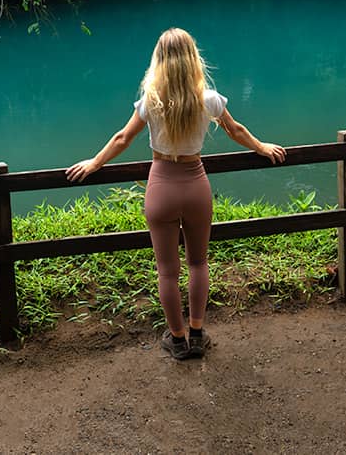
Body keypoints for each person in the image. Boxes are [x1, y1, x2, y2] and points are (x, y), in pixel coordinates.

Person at [66, 28, 286, 360]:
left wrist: (95, 163)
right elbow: (235, 129)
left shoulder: (151, 101)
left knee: (167, 271)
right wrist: (261, 146)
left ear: (160, 62)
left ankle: (178, 339)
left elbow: (122, 138)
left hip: (162, 188)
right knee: (198, 263)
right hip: (196, 186)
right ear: (193, 59)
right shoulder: (208, 99)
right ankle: (198, 334)